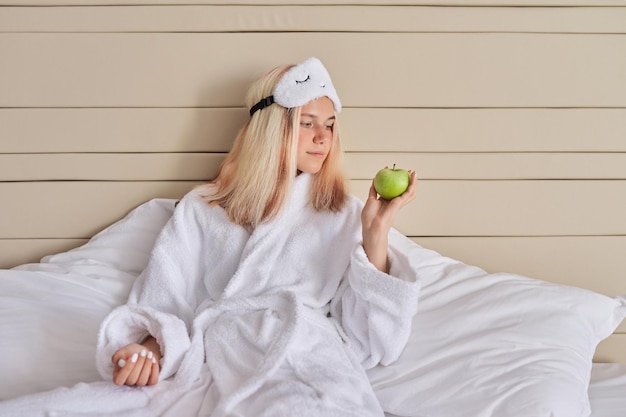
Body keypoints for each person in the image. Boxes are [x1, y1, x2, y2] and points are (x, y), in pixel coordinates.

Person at [97, 57, 420, 416]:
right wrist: (150, 348)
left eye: (329, 125)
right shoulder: (203, 208)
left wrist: (376, 235)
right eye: (307, 123)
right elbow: (166, 296)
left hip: (316, 352)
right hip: (233, 349)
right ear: (272, 129)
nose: (322, 137)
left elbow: (374, 341)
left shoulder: (341, 212)